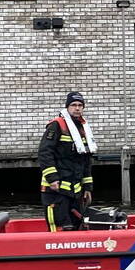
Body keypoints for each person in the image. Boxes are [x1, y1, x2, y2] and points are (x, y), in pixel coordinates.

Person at [39, 92, 95, 232]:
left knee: (76, 227)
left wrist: (87, 187)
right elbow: (45, 153)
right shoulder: (56, 126)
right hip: (56, 191)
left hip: (75, 191)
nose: (77, 108)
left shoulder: (83, 129)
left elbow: (86, 160)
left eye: (80, 105)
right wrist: (52, 178)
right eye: (73, 105)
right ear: (67, 107)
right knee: (60, 228)